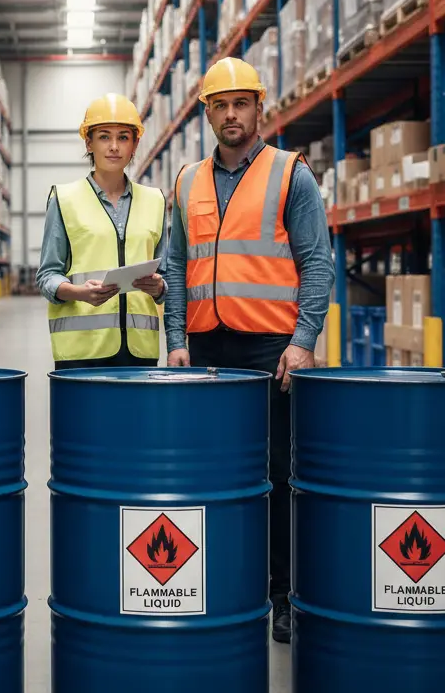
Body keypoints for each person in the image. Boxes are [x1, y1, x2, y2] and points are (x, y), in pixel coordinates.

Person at [164, 57, 334, 644]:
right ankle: (221, 585)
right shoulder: (186, 180)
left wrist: (304, 341)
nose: (230, 114)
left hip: (271, 347)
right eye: (219, 104)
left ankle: (282, 596)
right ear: (206, 113)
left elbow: (317, 262)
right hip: (207, 344)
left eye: (241, 103)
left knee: (279, 473)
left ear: (260, 107)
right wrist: (176, 339)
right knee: (210, 473)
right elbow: (176, 268)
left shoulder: (291, 174)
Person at [37, 93, 168, 370]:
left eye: (123, 137)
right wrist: (77, 292)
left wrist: (159, 287)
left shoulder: (155, 200)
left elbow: (165, 276)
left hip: (140, 352)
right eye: (104, 137)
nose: (114, 147)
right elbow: (47, 275)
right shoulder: (64, 199)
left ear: (135, 145)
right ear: (89, 142)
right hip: (81, 351)